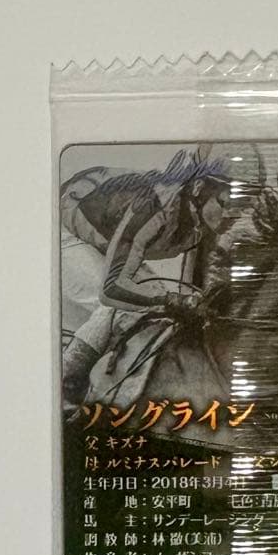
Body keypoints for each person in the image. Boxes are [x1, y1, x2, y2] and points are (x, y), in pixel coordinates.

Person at [60, 150, 232, 412]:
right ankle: (64, 390)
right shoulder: (153, 208)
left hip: (107, 235)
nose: (231, 215)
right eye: (226, 203)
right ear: (199, 188)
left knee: (156, 302)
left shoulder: (202, 217)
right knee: (116, 307)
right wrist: (170, 299)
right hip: (64, 227)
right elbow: (112, 290)